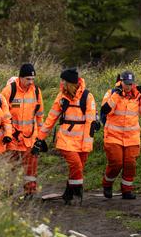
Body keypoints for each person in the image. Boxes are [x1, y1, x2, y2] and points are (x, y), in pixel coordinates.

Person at [34, 68, 98, 205]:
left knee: (78, 167)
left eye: (63, 80)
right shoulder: (61, 97)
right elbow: (51, 119)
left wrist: (86, 144)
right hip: (65, 138)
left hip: (83, 139)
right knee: (76, 165)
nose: (61, 83)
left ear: (70, 82)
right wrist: (39, 139)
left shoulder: (87, 97)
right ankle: (77, 193)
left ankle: (68, 193)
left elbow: (90, 122)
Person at [100, 71, 141, 200]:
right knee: (116, 163)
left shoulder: (138, 95)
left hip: (132, 137)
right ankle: (107, 184)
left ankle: (126, 191)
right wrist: (116, 96)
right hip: (113, 136)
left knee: (130, 164)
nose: (128, 86)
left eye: (130, 84)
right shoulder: (112, 93)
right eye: (126, 83)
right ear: (121, 82)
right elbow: (105, 110)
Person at [1, 63, 45, 199]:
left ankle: (30, 192)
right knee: (10, 166)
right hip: (12, 137)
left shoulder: (36, 91)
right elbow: (1, 114)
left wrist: (40, 137)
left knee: (31, 167)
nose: (30, 82)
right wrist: (9, 132)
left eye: (33, 79)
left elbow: (40, 114)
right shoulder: (9, 91)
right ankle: (7, 191)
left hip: (30, 137)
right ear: (20, 77)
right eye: (28, 79)